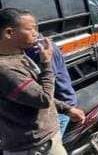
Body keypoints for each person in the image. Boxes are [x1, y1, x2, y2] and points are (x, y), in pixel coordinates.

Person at [0, 8, 85, 155]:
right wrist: (46, 62)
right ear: (9, 33)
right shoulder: (6, 70)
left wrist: (66, 108)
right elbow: (43, 98)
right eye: (31, 29)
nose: (36, 34)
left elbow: (34, 92)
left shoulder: (18, 54)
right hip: (37, 146)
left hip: (43, 137)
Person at [26, 42, 81, 136]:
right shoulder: (22, 50)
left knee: (48, 147)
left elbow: (42, 91)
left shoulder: (40, 50)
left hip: (59, 107)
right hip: (46, 104)